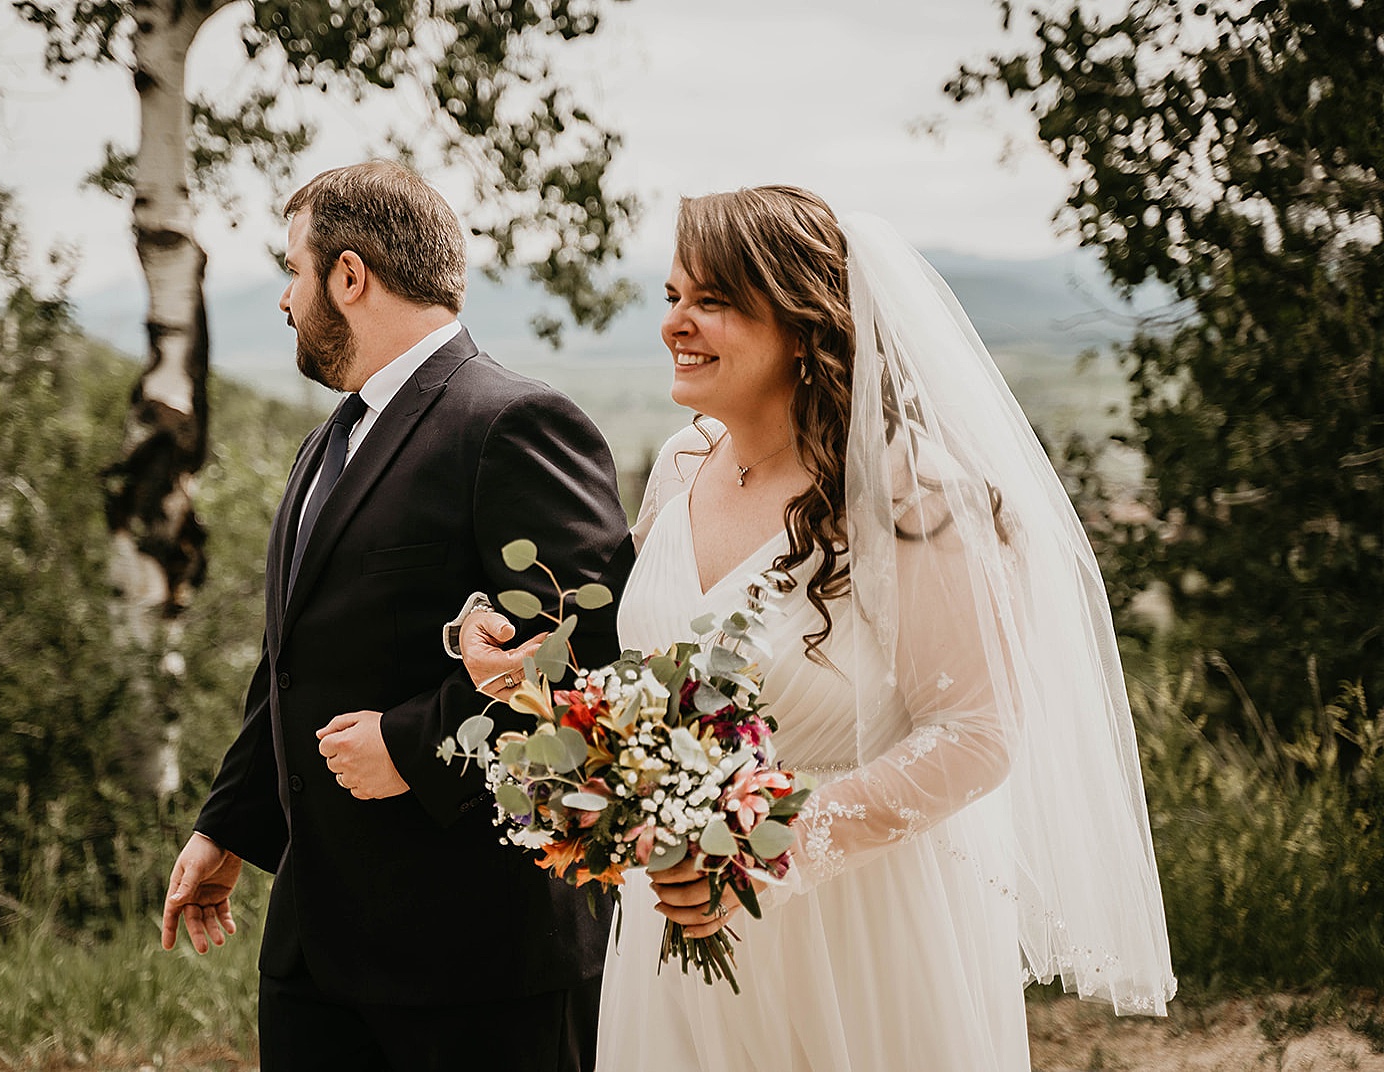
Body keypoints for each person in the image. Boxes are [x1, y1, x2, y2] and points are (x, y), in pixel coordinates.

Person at [459, 186, 1175, 1070]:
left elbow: (977, 735)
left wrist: (764, 847)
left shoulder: (910, 493)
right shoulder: (686, 465)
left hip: (852, 931)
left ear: (802, 326)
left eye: (712, 301)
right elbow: (661, 681)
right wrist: (529, 677)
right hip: (671, 920)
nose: (675, 324)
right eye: (673, 297)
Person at [160, 161, 633, 1072]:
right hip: (316, 957)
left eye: (292, 271)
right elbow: (293, 663)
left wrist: (416, 747)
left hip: (481, 967)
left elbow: (594, 651)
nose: (286, 300)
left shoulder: (515, 422)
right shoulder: (328, 441)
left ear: (348, 275)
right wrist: (228, 828)